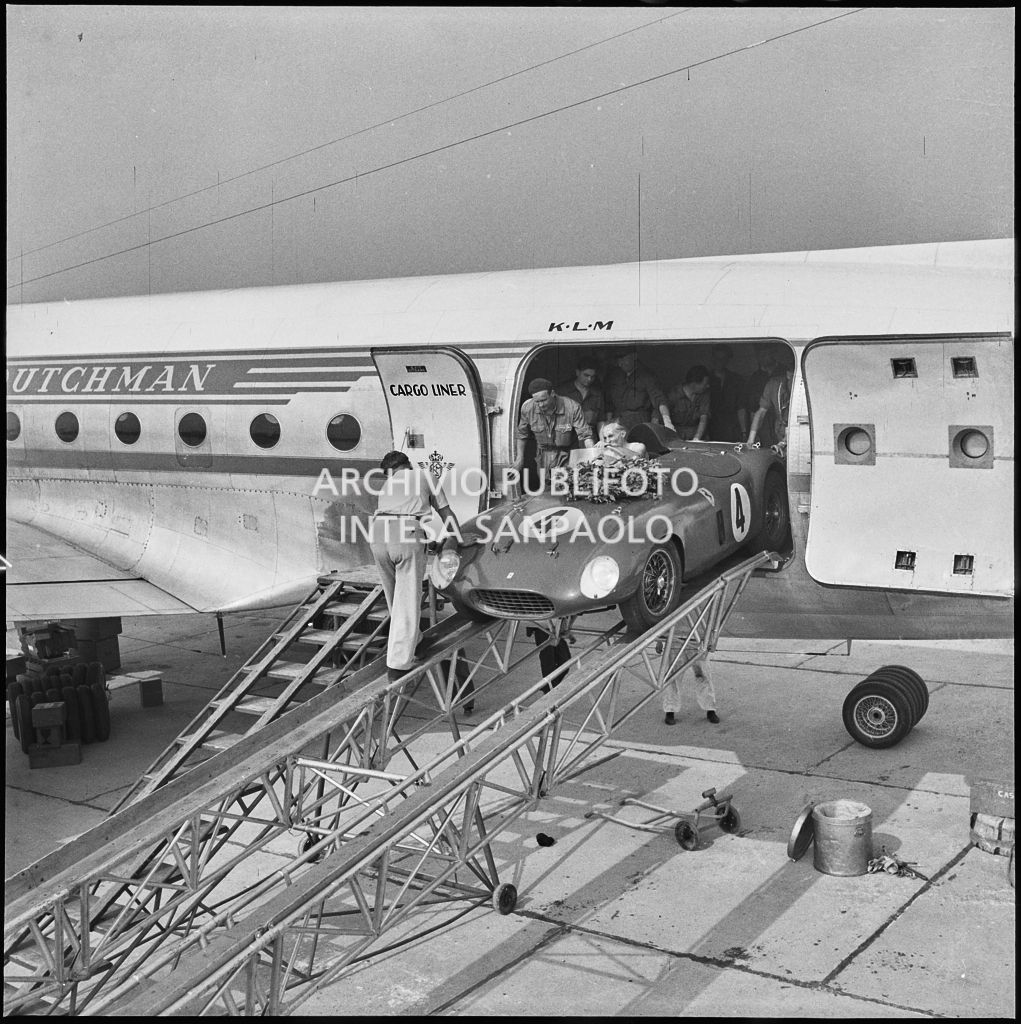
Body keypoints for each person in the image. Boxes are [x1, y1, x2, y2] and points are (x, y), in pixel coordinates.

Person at [370, 451, 460, 682]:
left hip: (377, 534)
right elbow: (445, 513)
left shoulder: (387, 487)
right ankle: (398, 665)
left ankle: (416, 641)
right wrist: (456, 538)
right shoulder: (425, 476)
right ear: (408, 464)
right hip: (406, 532)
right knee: (408, 598)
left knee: (393, 597)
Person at [514, 377, 593, 481]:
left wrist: (592, 457)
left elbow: (585, 435)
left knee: (566, 486)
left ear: (552, 394)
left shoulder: (572, 407)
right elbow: (522, 434)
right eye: (537, 401)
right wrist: (520, 458)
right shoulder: (528, 408)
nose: (540, 405)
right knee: (547, 490)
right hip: (544, 456)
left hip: (567, 455)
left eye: (543, 400)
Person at [605, 351, 675, 433]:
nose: (620, 364)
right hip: (617, 423)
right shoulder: (614, 375)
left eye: (623, 359)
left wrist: (667, 422)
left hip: (639, 423)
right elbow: (608, 402)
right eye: (618, 361)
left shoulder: (647, 376)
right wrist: (608, 423)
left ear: (634, 356)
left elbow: (660, 400)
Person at [747, 348, 795, 452]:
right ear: (788, 375)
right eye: (793, 378)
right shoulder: (773, 384)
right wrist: (751, 440)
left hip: (795, 432)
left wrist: (783, 443)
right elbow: (760, 412)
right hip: (778, 429)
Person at [662, 652, 720, 725]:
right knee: (672, 677)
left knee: (704, 675)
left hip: (698, 643)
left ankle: (710, 710)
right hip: (675, 643)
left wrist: (712, 643)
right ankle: (670, 710)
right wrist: (659, 642)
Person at [707, 344, 748, 442]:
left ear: (727, 360)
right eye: (716, 358)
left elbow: (741, 408)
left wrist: (744, 432)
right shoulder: (706, 379)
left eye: (722, 359)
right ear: (712, 359)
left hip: (732, 429)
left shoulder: (737, 380)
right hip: (710, 428)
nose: (719, 362)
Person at [742, 345, 779, 448]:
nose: (762, 358)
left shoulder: (783, 372)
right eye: (760, 356)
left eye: (765, 355)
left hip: (780, 421)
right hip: (763, 425)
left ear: (772, 354)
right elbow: (753, 409)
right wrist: (753, 434)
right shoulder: (755, 378)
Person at [556, 360, 606, 435]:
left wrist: (602, 441)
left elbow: (601, 420)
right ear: (577, 372)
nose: (589, 379)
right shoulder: (562, 392)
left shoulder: (597, 394)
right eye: (586, 375)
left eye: (592, 377)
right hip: (566, 437)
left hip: (590, 436)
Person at [666, 365, 711, 440]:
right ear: (694, 384)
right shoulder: (674, 394)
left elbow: (703, 418)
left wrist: (696, 438)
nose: (708, 386)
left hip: (697, 435)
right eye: (705, 384)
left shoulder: (704, 394)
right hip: (677, 436)